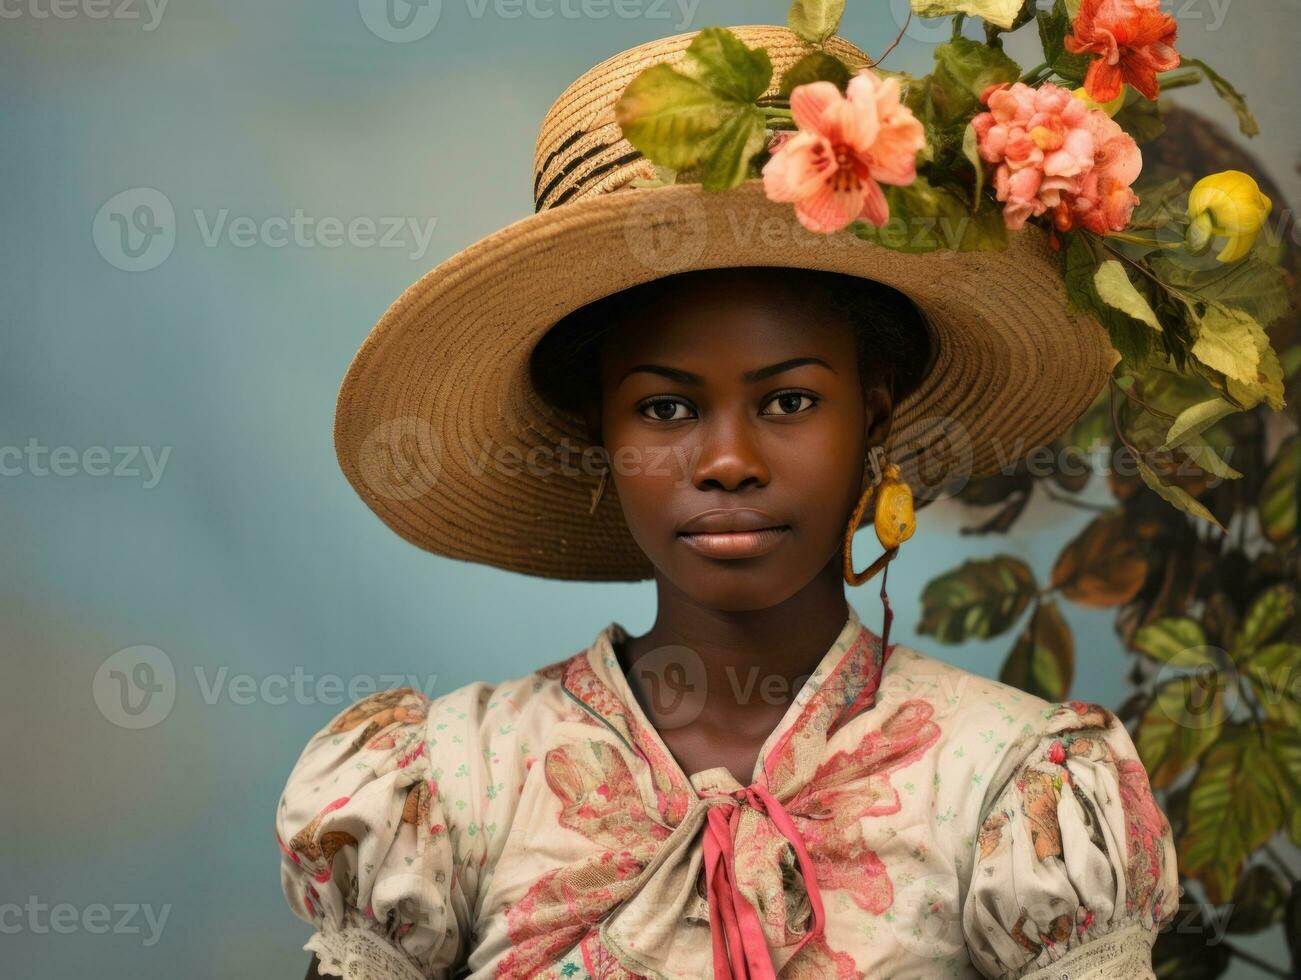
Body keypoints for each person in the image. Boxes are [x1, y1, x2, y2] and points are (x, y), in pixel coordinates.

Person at [276, 25, 1179, 980]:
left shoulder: (1011, 788)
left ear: (873, 417)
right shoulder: (452, 785)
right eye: (665, 408)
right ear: (598, 434)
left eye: (789, 401)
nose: (728, 461)